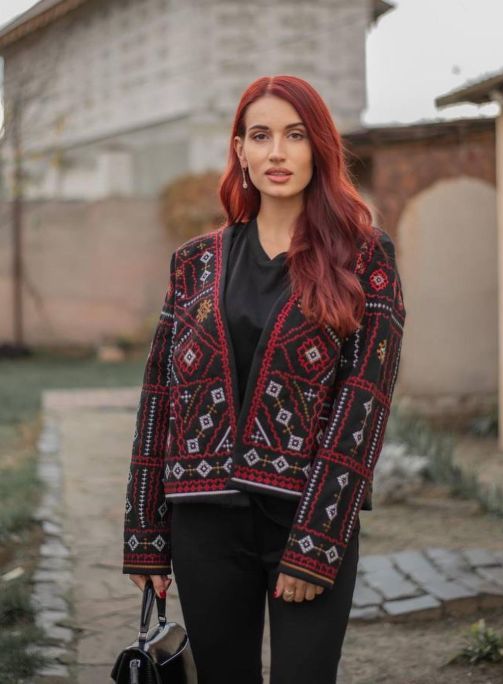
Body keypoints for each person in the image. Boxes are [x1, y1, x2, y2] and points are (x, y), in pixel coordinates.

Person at [122, 74, 406, 683]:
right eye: (261, 136)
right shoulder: (193, 263)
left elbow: (365, 402)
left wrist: (317, 541)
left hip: (304, 515)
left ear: (319, 148)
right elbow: (159, 397)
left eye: (295, 135)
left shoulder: (363, 257)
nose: (277, 152)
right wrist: (145, 533)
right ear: (240, 150)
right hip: (203, 523)